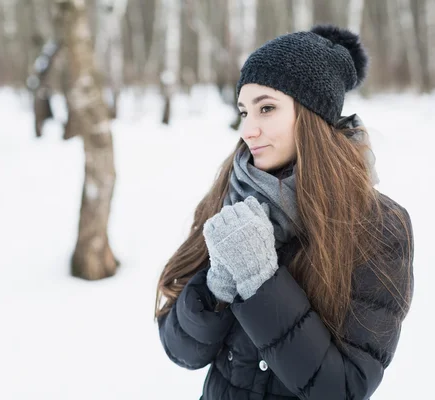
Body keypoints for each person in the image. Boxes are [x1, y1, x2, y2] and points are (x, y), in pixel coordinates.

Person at [154, 24, 414, 400]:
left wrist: (261, 282)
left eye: (267, 108)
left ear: (312, 115)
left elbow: (343, 389)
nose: (248, 130)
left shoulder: (376, 225)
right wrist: (215, 291)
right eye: (244, 111)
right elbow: (181, 351)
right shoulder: (232, 192)